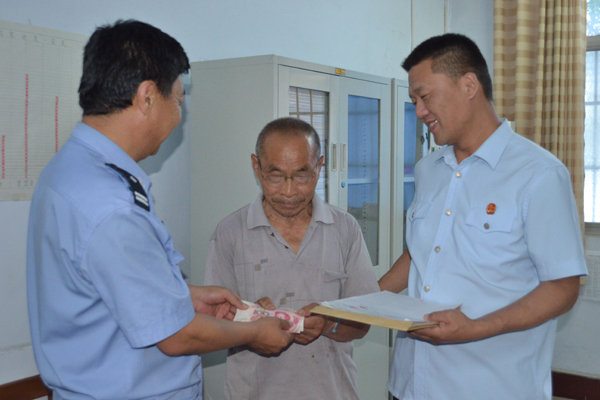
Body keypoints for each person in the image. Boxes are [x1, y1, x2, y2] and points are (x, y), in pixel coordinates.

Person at [26, 20, 293, 400]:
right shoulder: (111, 206)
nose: (179, 116)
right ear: (148, 96)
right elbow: (176, 336)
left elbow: (106, 284)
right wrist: (254, 333)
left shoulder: (69, 170)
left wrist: (181, 295)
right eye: (179, 101)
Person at [379, 33, 587, 400]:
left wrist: (475, 328)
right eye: (414, 102)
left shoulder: (538, 174)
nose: (420, 112)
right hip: (410, 383)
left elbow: (562, 288)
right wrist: (362, 300)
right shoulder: (428, 169)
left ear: (469, 85)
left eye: (425, 97)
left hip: (490, 385)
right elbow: (421, 251)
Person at [204, 117, 379, 400]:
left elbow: (363, 322)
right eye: (275, 176)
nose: (288, 191)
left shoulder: (345, 229)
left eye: (301, 176)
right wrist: (252, 321)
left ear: (319, 167)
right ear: (257, 167)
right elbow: (213, 324)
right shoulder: (229, 233)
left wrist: (329, 324)